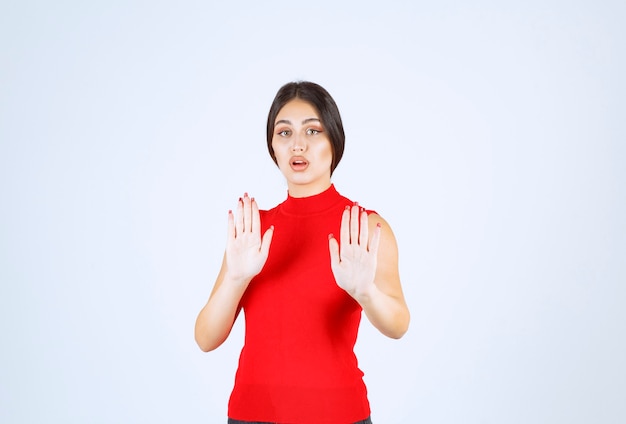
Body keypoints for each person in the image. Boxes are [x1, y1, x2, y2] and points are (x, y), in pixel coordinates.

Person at [195, 81, 410, 424]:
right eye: (284, 133)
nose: (298, 144)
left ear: (334, 142)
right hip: (251, 415)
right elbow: (206, 338)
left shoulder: (363, 227)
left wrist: (365, 292)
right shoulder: (253, 232)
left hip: (338, 415)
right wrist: (237, 278)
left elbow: (399, 324)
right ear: (273, 148)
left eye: (313, 131)